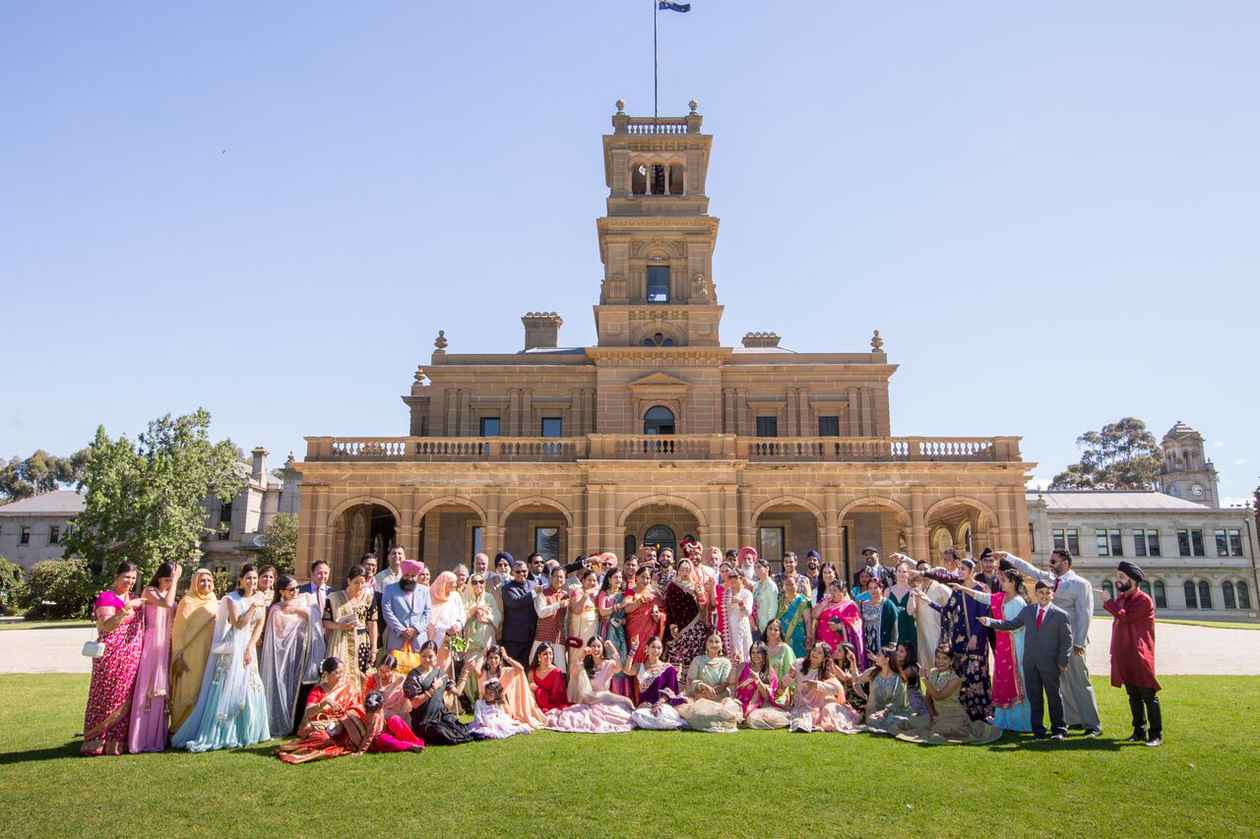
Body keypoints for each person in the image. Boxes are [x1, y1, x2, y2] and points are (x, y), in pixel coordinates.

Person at [999, 549, 1101, 736]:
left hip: (1072, 643)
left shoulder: (1080, 584)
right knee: (1060, 684)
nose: (1050, 563)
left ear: (1065, 562)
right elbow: (1030, 570)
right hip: (1050, 644)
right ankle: (1073, 719)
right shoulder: (1050, 579)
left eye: (1054, 561)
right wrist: (1008, 557)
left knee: (1080, 681)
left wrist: (1078, 643)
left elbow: (1085, 615)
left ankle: (1092, 724)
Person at [172, 564, 271, 751]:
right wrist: (253, 606)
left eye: (255, 579)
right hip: (233, 648)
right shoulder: (231, 599)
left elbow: (259, 626)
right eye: (248, 578)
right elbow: (238, 624)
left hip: (248, 649)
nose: (252, 582)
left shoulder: (260, 599)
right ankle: (223, 732)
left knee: (251, 686)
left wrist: (250, 648)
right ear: (241, 580)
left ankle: (249, 732)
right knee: (228, 688)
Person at [980, 580, 1072, 739]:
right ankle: (1038, 730)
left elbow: (1067, 641)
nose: (1044, 596)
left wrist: (1063, 661)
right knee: (1034, 697)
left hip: (1050, 664)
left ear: (1052, 594)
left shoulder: (1060, 615)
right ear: (1036, 594)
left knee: (1054, 696)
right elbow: (1011, 624)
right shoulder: (1028, 611)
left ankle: (1059, 729)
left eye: (1047, 593)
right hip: (1030, 662)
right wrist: (990, 622)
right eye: (1041, 592)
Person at [954, 569, 1032, 732]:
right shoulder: (999, 597)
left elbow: (1016, 626)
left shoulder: (1019, 602)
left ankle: (1020, 721)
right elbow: (982, 597)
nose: (1001, 583)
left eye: (1004, 580)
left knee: (1018, 679)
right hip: (1003, 647)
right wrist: (963, 589)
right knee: (1002, 678)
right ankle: (1004, 720)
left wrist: (990, 622)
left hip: (1016, 647)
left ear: (1013, 583)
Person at [81, 561, 145, 756]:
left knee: (125, 696)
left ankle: (117, 742)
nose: (130, 581)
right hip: (111, 655)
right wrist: (127, 608)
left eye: (133, 578)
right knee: (105, 694)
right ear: (117, 576)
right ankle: (96, 741)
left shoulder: (134, 597)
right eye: (127, 577)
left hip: (131, 656)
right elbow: (107, 626)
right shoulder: (106, 597)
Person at [1099, 561, 1162, 746]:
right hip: (1124, 652)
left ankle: (1156, 734)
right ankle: (1138, 731)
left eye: (1121, 577)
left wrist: (1108, 602)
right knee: (1133, 695)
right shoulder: (1122, 599)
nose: (1117, 580)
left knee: (1148, 695)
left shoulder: (1143, 600)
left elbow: (1125, 617)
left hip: (1140, 653)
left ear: (1132, 580)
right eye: (1117, 576)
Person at [922, 558, 992, 722]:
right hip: (959, 642)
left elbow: (984, 615)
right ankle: (965, 712)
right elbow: (947, 611)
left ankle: (982, 713)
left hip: (977, 639)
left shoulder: (980, 589)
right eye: (959, 569)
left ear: (971, 571)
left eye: (963, 569)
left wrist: (975, 636)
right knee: (962, 676)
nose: (959, 572)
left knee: (976, 674)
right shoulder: (957, 590)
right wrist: (928, 602)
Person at [277, 657, 383, 763]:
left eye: (342, 672)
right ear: (327, 674)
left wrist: (341, 721)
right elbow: (308, 712)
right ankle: (291, 748)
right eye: (337, 673)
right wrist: (323, 704)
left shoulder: (349, 688)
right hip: (322, 727)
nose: (341, 676)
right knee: (323, 738)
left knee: (345, 741)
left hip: (345, 728)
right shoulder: (317, 691)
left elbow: (357, 708)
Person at [126, 561, 182, 753]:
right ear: (159, 578)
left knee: (162, 690)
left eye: (171, 580)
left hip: (165, 644)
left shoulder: (170, 593)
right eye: (166, 579)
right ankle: (140, 739)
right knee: (148, 688)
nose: (169, 583)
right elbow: (166, 604)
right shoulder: (150, 591)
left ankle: (157, 736)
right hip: (151, 644)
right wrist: (175, 580)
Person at [897, 646, 1002, 745]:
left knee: (937, 732)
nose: (940, 661)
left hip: (954, 716)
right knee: (914, 723)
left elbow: (939, 696)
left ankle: (944, 730)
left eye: (944, 658)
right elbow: (928, 698)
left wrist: (924, 679)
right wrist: (933, 715)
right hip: (938, 715)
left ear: (951, 661)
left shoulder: (955, 679)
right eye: (938, 657)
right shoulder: (933, 672)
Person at [261, 574, 316, 736]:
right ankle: (281, 721)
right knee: (283, 687)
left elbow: (313, 622)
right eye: (291, 589)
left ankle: (297, 722)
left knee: (300, 689)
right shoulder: (276, 609)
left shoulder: (303, 604)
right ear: (282, 592)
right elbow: (277, 634)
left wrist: (299, 611)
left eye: (297, 588)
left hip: (301, 652)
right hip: (282, 656)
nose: (296, 592)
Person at [546, 638, 636, 734]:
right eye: (593, 646)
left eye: (598, 646)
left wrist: (612, 649)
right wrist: (582, 655)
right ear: (589, 648)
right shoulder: (586, 666)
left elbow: (619, 667)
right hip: (588, 700)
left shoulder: (609, 664)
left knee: (626, 703)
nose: (596, 649)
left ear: (602, 649)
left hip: (604, 699)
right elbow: (573, 672)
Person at [168, 568, 218, 736]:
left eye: (209, 581)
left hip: (209, 652)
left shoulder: (214, 601)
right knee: (188, 690)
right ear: (195, 583)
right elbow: (178, 630)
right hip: (189, 653)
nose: (206, 584)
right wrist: (178, 655)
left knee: (204, 690)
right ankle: (179, 728)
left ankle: (197, 729)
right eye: (202, 581)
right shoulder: (187, 601)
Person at [403, 640, 477, 744]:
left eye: (430, 656)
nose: (427, 660)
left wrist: (466, 671)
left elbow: (458, 692)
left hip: (441, 717)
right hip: (423, 722)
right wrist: (433, 689)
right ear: (419, 655)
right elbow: (415, 703)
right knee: (441, 733)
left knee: (460, 728)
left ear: (436, 656)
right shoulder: (414, 676)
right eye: (423, 656)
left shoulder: (440, 674)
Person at [787, 641, 861, 733]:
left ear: (824, 658)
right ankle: (803, 725)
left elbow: (837, 689)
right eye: (814, 650)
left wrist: (817, 685)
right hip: (802, 703)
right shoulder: (799, 664)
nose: (815, 653)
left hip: (818, 705)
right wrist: (790, 676)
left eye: (819, 652)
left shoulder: (825, 672)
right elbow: (784, 683)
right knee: (804, 715)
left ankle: (810, 725)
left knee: (827, 710)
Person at [324, 564, 376, 692]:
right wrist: (339, 626)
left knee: (360, 677)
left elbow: (372, 623)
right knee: (338, 674)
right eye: (356, 582)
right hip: (340, 641)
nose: (359, 586)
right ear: (348, 581)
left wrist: (373, 648)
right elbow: (325, 621)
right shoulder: (334, 598)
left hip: (361, 642)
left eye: (362, 583)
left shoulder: (368, 599)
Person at [294, 559, 332, 724]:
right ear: (312, 573)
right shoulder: (300, 591)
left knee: (322, 677)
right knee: (304, 680)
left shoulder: (333, 592)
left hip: (327, 639)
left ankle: (319, 716)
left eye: (325, 573)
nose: (322, 576)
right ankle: (299, 718)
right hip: (304, 641)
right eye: (319, 572)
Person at [471, 645, 546, 728]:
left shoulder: (505, 672)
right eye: (490, 658)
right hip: (485, 706)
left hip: (501, 707)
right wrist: (483, 656)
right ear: (487, 660)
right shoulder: (484, 672)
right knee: (485, 723)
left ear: (500, 660)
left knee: (498, 724)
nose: (493, 660)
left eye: (496, 658)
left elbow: (520, 669)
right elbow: (476, 670)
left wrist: (506, 657)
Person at [625, 637, 686, 730]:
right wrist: (633, 650)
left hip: (662, 705)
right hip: (645, 706)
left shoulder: (668, 668)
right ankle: (663, 724)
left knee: (663, 713)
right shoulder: (640, 666)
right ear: (647, 648)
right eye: (653, 647)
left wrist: (658, 703)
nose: (656, 650)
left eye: (659, 648)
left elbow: (670, 691)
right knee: (639, 714)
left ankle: (661, 722)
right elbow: (627, 670)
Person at [461, 572, 501, 700]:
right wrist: (473, 610)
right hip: (471, 642)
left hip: (486, 639)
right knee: (470, 668)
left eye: (481, 582)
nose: (478, 584)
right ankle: (472, 699)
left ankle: (486, 697)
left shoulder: (489, 597)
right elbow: (461, 617)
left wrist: (486, 617)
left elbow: (497, 616)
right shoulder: (466, 598)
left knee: (485, 669)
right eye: (474, 582)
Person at [381, 559, 432, 659]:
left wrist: (416, 629)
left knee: (419, 670)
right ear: (402, 574)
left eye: (413, 576)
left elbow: (427, 613)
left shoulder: (424, 591)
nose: (409, 578)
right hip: (397, 637)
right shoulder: (390, 589)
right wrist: (402, 630)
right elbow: (387, 612)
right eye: (407, 575)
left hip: (418, 638)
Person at [663, 558, 708, 671]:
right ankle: (676, 684)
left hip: (695, 626)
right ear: (678, 570)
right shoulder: (672, 586)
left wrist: (699, 594)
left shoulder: (696, 586)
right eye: (682, 569)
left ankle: (693, 681)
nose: (685, 572)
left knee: (695, 654)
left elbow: (702, 606)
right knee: (677, 656)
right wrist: (673, 624)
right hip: (678, 626)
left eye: (687, 570)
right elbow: (669, 607)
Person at [735, 642, 790, 729]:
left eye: (758, 652)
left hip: (760, 706)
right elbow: (733, 685)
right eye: (753, 652)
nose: (755, 655)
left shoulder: (769, 672)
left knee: (754, 718)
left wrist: (758, 681)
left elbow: (768, 697)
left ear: (764, 654)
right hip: (741, 703)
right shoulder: (743, 666)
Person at [813, 581, 864, 671]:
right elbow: (815, 615)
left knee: (837, 670)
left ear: (843, 592)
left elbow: (856, 624)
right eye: (830, 590)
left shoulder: (849, 605)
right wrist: (824, 604)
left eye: (835, 590)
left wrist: (840, 626)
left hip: (838, 646)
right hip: (823, 644)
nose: (832, 593)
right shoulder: (824, 602)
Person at [855, 644, 906, 730]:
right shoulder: (873, 672)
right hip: (873, 714)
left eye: (879, 655)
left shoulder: (897, 678)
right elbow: (856, 680)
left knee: (898, 720)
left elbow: (899, 700)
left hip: (890, 713)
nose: (876, 657)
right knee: (873, 720)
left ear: (887, 659)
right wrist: (853, 663)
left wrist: (884, 712)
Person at [911, 570, 952, 674]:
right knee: (924, 661)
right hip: (922, 632)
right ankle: (928, 686)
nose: (923, 574)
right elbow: (910, 610)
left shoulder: (941, 587)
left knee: (938, 659)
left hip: (938, 631)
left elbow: (952, 608)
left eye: (925, 570)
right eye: (920, 570)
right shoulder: (917, 589)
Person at [427, 570, 466, 673]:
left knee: (446, 672)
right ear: (444, 583)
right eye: (451, 582)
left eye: (455, 582)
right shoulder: (430, 595)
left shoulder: (455, 596)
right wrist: (444, 629)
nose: (455, 585)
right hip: (434, 640)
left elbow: (462, 614)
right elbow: (428, 618)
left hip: (451, 641)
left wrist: (458, 625)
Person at [624, 566, 664, 666]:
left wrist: (658, 616)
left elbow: (663, 611)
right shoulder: (630, 591)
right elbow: (626, 608)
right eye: (643, 577)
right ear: (636, 577)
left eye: (648, 578)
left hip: (650, 630)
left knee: (648, 653)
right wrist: (639, 602)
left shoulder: (654, 593)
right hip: (634, 630)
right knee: (634, 653)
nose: (645, 580)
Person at [500, 559, 537, 666]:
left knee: (527, 669)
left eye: (524, 571)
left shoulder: (533, 584)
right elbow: (515, 603)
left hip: (531, 636)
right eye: (518, 572)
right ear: (512, 573)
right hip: (514, 638)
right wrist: (534, 593)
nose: (522, 574)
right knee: (511, 669)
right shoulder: (507, 588)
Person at [533, 566, 570, 673]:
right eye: (556, 576)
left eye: (561, 577)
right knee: (539, 670)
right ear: (551, 578)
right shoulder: (542, 593)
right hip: (542, 638)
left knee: (560, 672)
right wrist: (558, 605)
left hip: (559, 639)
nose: (559, 579)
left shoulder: (566, 595)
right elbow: (541, 612)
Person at [469, 679, 535, 740]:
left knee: (505, 727)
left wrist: (507, 721)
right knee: (484, 730)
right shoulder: (479, 703)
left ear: (496, 695)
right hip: (484, 721)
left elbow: (500, 713)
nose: (487, 695)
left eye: (490, 694)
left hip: (495, 721)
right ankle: (488, 734)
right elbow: (477, 714)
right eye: (486, 693)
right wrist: (481, 723)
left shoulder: (496, 704)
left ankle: (521, 728)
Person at [879, 560, 917, 651]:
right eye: (899, 571)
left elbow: (911, 611)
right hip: (893, 628)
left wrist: (912, 594)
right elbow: (884, 612)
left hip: (908, 627)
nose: (901, 574)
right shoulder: (888, 591)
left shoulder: (913, 591)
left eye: (904, 571)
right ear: (895, 573)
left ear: (908, 574)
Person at [363, 653, 411, 721]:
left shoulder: (401, 681)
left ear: (394, 670)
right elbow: (367, 702)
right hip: (375, 716)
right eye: (381, 670)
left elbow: (405, 708)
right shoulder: (373, 679)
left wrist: (395, 685)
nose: (383, 674)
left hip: (396, 717)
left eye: (387, 672)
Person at [775, 574, 812, 659]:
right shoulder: (781, 602)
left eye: (792, 584)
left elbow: (808, 621)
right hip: (783, 638)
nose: (789, 587)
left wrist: (809, 636)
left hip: (798, 637)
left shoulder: (803, 601)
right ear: (783, 587)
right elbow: (777, 620)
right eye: (787, 585)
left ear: (796, 585)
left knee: (799, 662)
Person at [596, 569, 628, 661]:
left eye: (620, 577)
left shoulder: (624, 594)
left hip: (619, 630)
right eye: (616, 577)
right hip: (605, 629)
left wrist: (622, 621)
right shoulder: (604, 593)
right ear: (609, 579)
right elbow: (602, 612)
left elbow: (627, 615)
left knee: (619, 656)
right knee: (606, 655)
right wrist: (618, 606)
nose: (618, 579)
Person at [724, 570, 754, 663]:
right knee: (730, 655)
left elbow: (748, 612)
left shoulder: (747, 593)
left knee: (744, 654)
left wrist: (740, 602)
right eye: (730, 577)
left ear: (741, 579)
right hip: (728, 629)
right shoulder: (726, 594)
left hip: (741, 627)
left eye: (735, 577)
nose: (732, 579)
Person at [529, 643, 569, 712]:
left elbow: (556, 698)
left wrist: (537, 689)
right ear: (539, 656)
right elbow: (529, 693)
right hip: (533, 705)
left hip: (552, 706)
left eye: (551, 654)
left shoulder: (556, 672)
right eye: (545, 654)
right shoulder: (532, 672)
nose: (549, 656)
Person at [762, 619, 797, 690]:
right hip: (762, 687)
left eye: (776, 630)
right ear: (766, 630)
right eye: (770, 628)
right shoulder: (761, 647)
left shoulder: (785, 649)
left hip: (780, 689)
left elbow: (790, 672)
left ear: (780, 632)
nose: (772, 632)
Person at [752, 560, 779, 642]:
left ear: (767, 568)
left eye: (759, 567)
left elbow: (773, 607)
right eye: (755, 568)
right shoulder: (756, 585)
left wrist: (770, 626)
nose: (756, 570)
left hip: (766, 624)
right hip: (756, 623)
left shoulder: (771, 585)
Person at [859, 577, 885, 659]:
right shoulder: (863, 604)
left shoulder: (887, 604)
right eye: (870, 588)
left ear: (881, 588)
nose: (873, 591)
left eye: (875, 588)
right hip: (866, 644)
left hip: (882, 645)